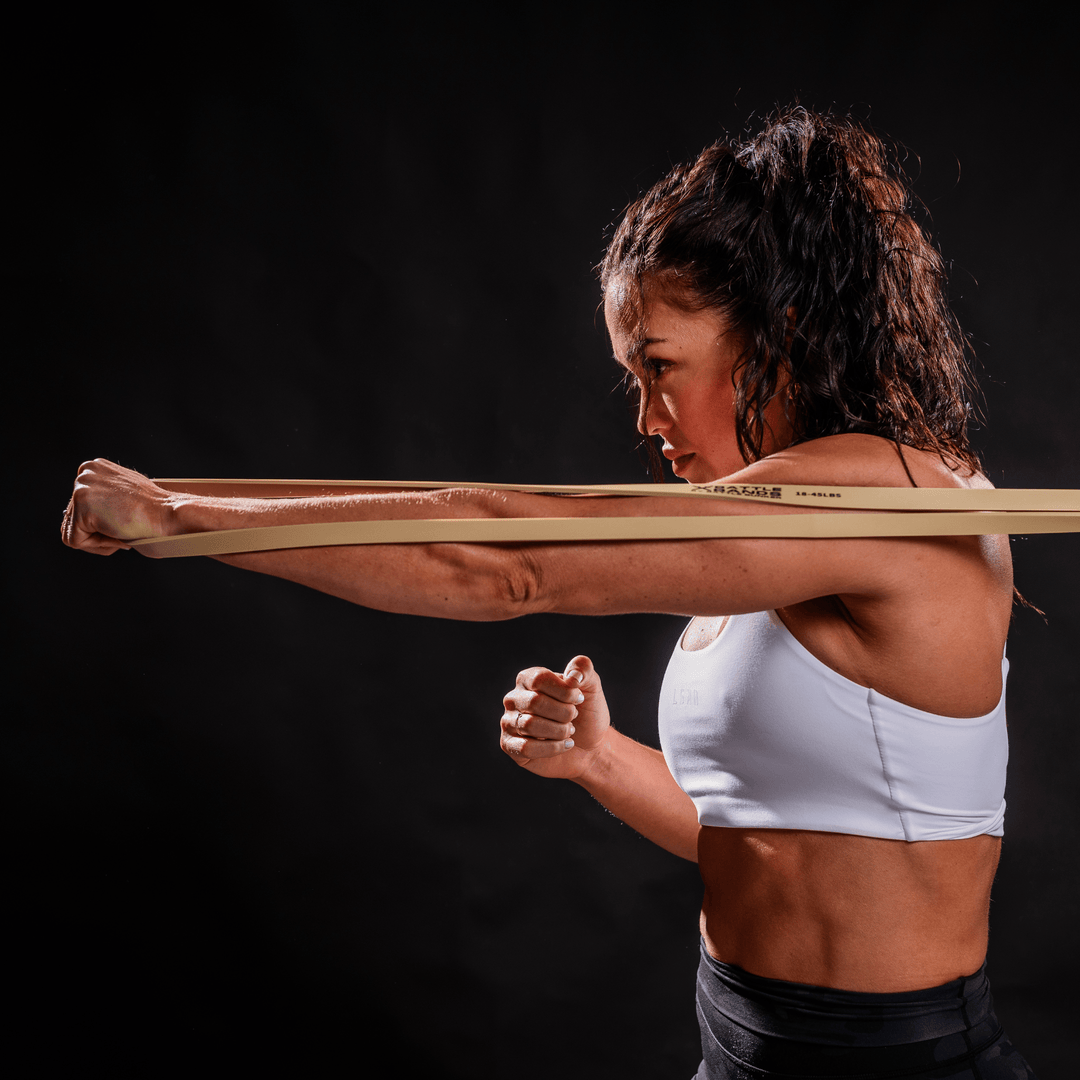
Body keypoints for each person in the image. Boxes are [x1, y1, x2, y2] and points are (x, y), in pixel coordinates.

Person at [63, 107, 1036, 1077]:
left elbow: (508, 561)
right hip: (738, 1045)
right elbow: (758, 841)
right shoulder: (758, 534)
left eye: (661, 367)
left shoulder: (893, 497)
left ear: (784, 329)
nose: (649, 419)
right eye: (631, 379)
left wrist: (176, 522)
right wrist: (602, 759)